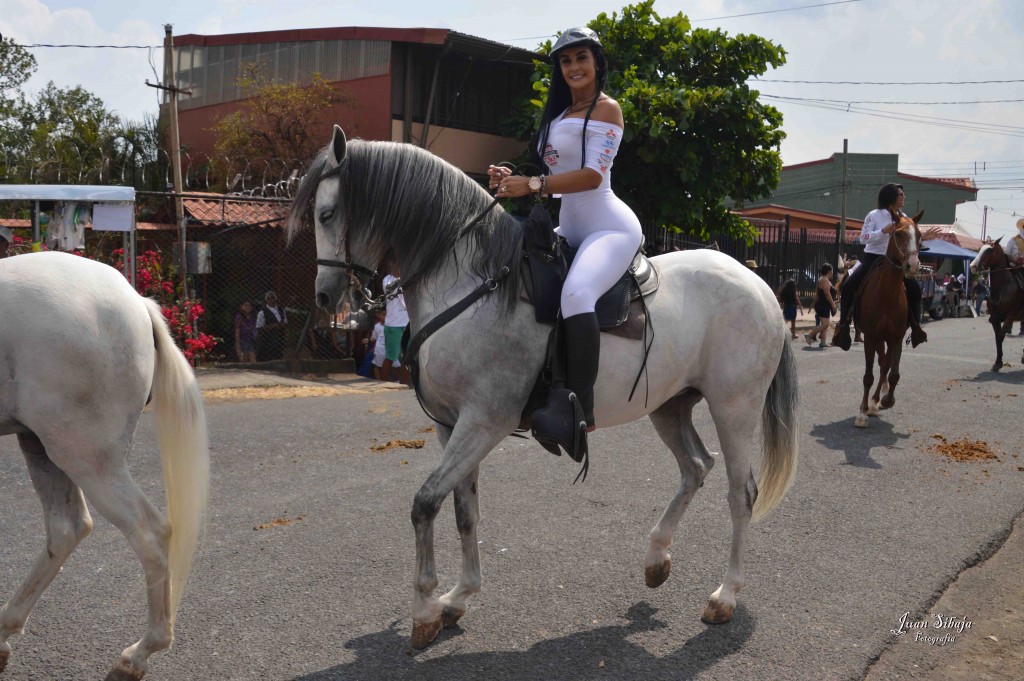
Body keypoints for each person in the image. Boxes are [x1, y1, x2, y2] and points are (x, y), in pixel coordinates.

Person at [487, 26, 642, 431]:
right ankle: (539, 385)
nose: (573, 66)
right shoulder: (558, 116)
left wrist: (534, 185)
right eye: (566, 60)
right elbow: (554, 172)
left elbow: (591, 177)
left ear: (596, 63)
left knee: (575, 294)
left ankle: (579, 409)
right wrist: (513, 176)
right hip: (568, 227)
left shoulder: (607, 109)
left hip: (609, 228)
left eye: (581, 58)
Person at [832, 183, 941, 351]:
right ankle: (844, 325)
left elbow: (910, 242)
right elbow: (863, 238)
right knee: (847, 286)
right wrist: (883, 231)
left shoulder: (904, 217)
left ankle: (916, 327)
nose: (904, 198)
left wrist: (924, 237)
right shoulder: (874, 215)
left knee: (915, 290)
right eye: (901, 195)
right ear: (892, 197)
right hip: (873, 258)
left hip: (896, 262)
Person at [381, 260, 410, 384]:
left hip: (408, 323)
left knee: (407, 358)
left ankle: (403, 384)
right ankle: (382, 383)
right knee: (391, 357)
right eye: (396, 265)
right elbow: (392, 290)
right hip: (394, 325)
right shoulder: (388, 279)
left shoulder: (407, 276)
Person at [804, 263, 836, 349]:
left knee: (824, 323)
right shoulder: (824, 280)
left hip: (823, 304)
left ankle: (823, 342)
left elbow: (818, 293)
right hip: (823, 305)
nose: (832, 272)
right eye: (832, 270)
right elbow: (827, 293)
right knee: (825, 324)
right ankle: (809, 335)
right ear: (829, 271)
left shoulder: (822, 279)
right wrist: (833, 304)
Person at [255, 291, 288, 361]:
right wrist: (271, 326)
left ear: (275, 299)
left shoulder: (281, 310)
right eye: (268, 298)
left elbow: (285, 322)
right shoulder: (262, 312)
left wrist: (281, 325)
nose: (271, 300)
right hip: (268, 339)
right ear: (266, 300)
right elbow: (259, 327)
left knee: (278, 356)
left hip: (279, 338)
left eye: (273, 298)